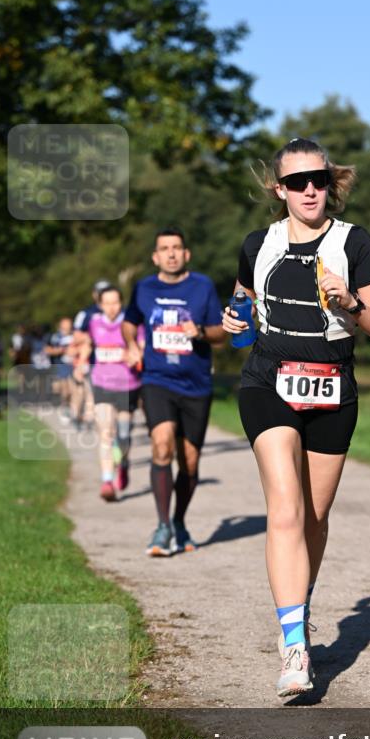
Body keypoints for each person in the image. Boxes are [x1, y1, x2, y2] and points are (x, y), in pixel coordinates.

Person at [222, 137, 370, 698]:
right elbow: (244, 302)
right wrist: (234, 321)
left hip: (333, 385)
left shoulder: (354, 243)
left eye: (317, 179)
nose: (310, 190)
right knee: (286, 508)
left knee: (315, 517)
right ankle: (294, 643)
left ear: (330, 182)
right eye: (297, 182)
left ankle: (299, 601)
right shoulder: (258, 243)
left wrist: (349, 303)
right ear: (280, 190)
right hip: (267, 381)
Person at [122, 227, 225, 555]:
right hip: (157, 380)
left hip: (196, 385)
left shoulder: (202, 286)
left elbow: (220, 332)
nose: (170, 253)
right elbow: (129, 320)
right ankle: (162, 526)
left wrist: (201, 332)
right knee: (161, 445)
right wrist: (131, 345)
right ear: (155, 256)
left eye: (176, 247)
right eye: (164, 248)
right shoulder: (144, 288)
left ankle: (179, 521)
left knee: (190, 463)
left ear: (186, 254)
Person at [80, 287, 144, 501]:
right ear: (100, 304)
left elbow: (141, 346)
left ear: (121, 303)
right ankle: (107, 480)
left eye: (115, 302)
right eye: (107, 303)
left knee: (123, 436)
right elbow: (89, 345)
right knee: (106, 433)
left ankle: (123, 463)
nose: (111, 307)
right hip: (102, 384)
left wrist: (135, 354)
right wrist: (80, 362)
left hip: (128, 386)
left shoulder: (131, 324)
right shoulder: (94, 323)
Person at [72, 279, 111, 428]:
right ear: (94, 295)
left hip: (118, 363)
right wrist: (95, 337)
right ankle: (91, 419)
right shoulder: (87, 313)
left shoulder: (120, 311)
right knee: (92, 392)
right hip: (93, 360)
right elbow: (77, 335)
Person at [46, 317, 76, 424]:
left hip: (75, 366)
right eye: (65, 325)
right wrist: (61, 350)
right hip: (61, 366)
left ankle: (75, 411)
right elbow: (47, 350)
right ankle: (65, 408)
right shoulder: (55, 337)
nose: (67, 327)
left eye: (69, 324)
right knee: (65, 391)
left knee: (75, 390)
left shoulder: (75, 335)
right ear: (61, 325)